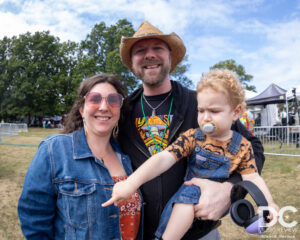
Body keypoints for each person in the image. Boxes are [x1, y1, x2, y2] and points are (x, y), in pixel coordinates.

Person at [117, 20, 265, 240]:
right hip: (139, 232)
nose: (149, 55)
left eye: (157, 48)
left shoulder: (201, 104)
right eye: (140, 50)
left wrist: (230, 190)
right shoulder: (122, 112)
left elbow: (253, 148)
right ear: (132, 61)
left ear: (170, 57)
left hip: (198, 232)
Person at [104, 69, 279, 240]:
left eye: (214, 111)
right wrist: (131, 183)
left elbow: (253, 178)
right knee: (187, 199)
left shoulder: (243, 146)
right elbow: (163, 158)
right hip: (188, 197)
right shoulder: (193, 137)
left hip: (209, 215)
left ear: (235, 112)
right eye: (201, 110)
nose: (205, 118)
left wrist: (267, 203)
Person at [18, 74, 143, 239]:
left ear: (119, 109)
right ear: (82, 109)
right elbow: (34, 220)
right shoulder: (54, 150)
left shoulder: (126, 157)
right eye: (95, 99)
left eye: (113, 100)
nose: (104, 107)